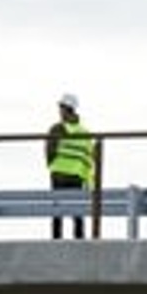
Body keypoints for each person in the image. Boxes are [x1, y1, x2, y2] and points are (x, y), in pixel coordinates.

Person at [46, 93, 95, 239]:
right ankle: (80, 243)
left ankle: (56, 243)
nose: (59, 111)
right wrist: (87, 178)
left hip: (59, 175)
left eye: (60, 108)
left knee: (56, 212)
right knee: (77, 212)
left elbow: (49, 152)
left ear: (66, 109)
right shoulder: (85, 132)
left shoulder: (57, 128)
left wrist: (53, 165)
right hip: (77, 175)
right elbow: (89, 157)